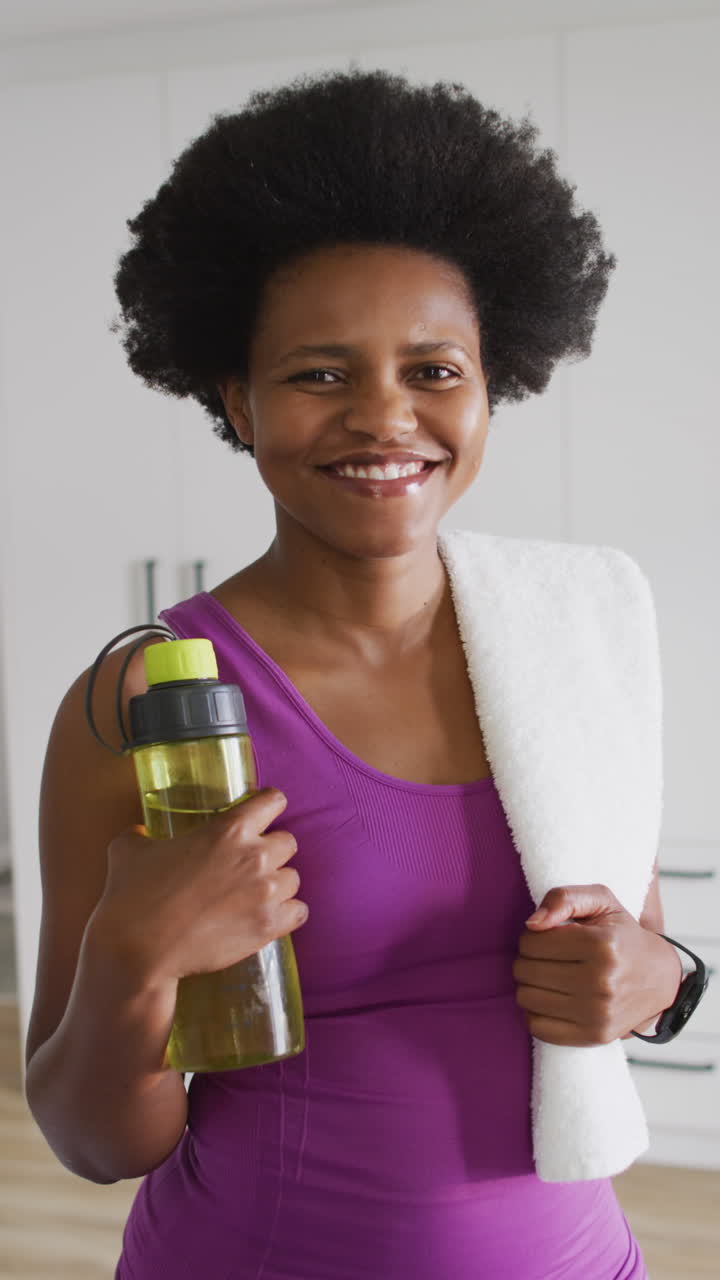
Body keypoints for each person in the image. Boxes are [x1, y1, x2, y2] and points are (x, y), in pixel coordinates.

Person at [25, 68, 683, 1278]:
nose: (386, 418)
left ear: (493, 387)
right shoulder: (150, 698)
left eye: (434, 371)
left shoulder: (577, 635)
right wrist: (132, 953)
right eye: (320, 374)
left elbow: (633, 949)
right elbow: (90, 1138)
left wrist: (661, 979)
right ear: (237, 396)